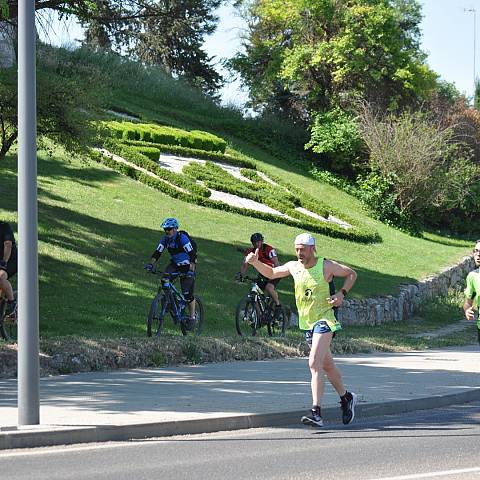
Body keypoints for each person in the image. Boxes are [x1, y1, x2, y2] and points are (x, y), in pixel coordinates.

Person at [246, 232, 357, 427]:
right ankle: (346, 398)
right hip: (307, 323)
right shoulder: (293, 266)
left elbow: (351, 274)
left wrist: (341, 293)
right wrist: (255, 262)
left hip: (325, 320)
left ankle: (316, 412)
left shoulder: (326, 265)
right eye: (297, 249)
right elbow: (271, 273)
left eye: (303, 250)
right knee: (327, 366)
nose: (300, 253)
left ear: (312, 249)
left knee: (314, 363)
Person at [145, 218, 197, 329]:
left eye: (168, 229)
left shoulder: (182, 238)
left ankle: (192, 317)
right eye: (165, 230)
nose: (167, 231)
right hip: (175, 264)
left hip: (187, 266)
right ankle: (171, 302)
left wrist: (191, 270)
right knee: (164, 280)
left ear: (175, 229)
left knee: (187, 294)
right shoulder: (165, 239)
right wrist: (151, 264)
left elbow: (192, 254)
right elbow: (157, 252)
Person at [236, 233, 283, 317]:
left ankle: (278, 305)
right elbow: (245, 264)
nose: (257, 244)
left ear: (262, 241)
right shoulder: (252, 252)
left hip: (275, 271)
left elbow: (276, 262)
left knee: (269, 287)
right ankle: (260, 315)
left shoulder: (268, 249)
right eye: (254, 242)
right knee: (254, 292)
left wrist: (275, 274)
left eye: (259, 242)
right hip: (263, 273)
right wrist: (241, 275)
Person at [463, 239, 480, 345]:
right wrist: (467, 310)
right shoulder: (473, 276)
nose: (478, 254)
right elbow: (468, 303)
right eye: (476, 251)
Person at [0, 221, 17, 316]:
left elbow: (8, 244)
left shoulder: (4, 227)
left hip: (10, 260)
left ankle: (12, 303)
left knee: (1, 277)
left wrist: (4, 262)